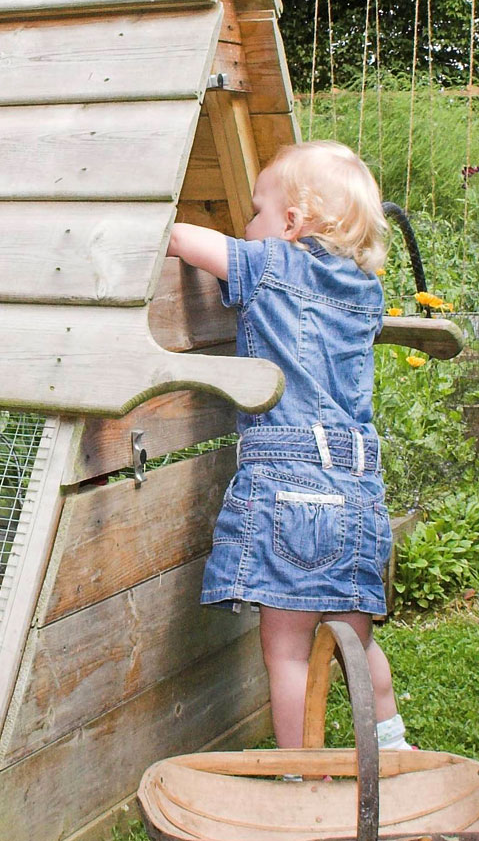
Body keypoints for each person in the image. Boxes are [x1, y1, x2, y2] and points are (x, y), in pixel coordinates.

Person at [166, 140, 410, 753]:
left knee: (289, 654)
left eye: (255, 211)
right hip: (357, 490)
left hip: (293, 490)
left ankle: (306, 776)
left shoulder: (272, 264)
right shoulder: (365, 290)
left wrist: (150, 223)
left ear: (294, 223)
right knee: (356, 644)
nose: (247, 226)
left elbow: (182, 242)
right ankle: (393, 749)